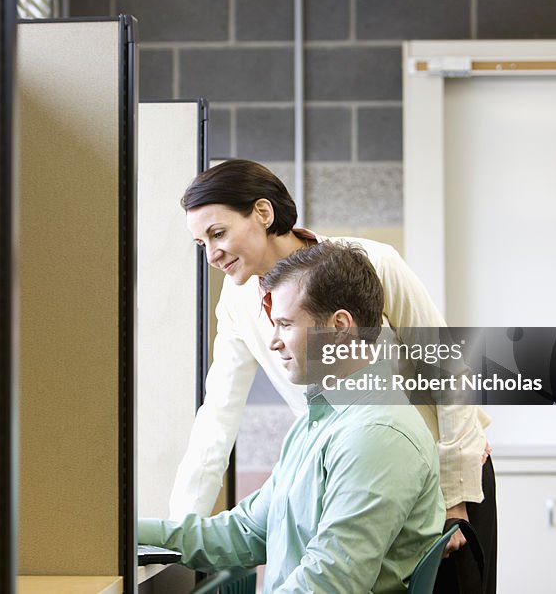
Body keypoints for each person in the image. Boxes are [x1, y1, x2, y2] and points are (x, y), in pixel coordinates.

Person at [170, 159, 495, 593]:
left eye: (218, 233)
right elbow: (217, 417)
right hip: (353, 472)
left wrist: (455, 501)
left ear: (263, 214)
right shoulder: (237, 302)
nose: (212, 255)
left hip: (442, 473)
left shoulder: (372, 262)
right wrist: (176, 530)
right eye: (200, 243)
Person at [140, 242, 445, 592]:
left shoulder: (376, 434)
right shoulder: (321, 419)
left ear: (340, 326)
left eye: (285, 324)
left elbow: (328, 582)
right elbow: (244, 532)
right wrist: (124, 532)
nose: (274, 342)